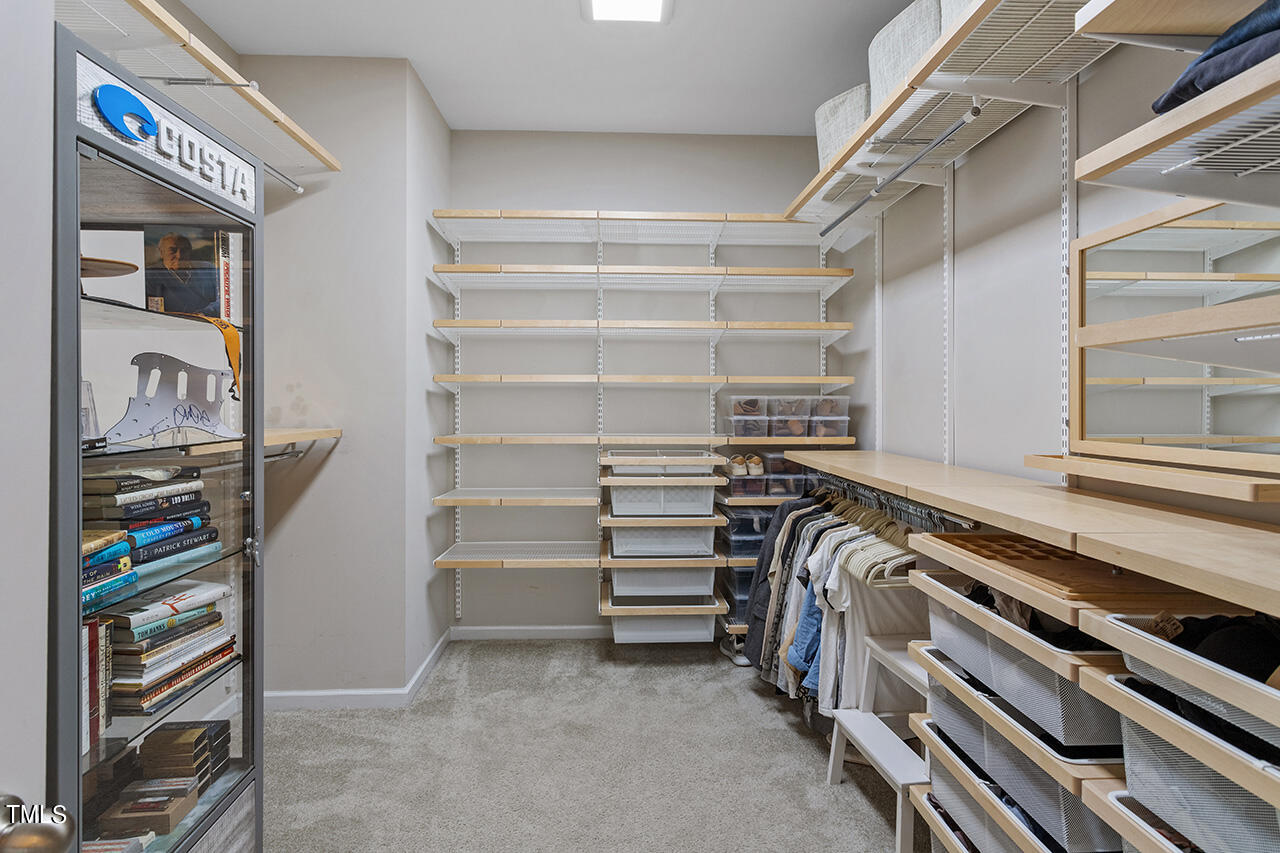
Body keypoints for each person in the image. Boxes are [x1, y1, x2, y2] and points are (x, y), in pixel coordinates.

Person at [145, 232, 218, 316]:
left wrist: (205, 312)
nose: (179, 255)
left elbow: (222, 300)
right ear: (161, 253)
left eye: (184, 250)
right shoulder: (151, 274)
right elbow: (154, 311)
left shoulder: (207, 270)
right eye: (172, 250)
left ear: (190, 251)